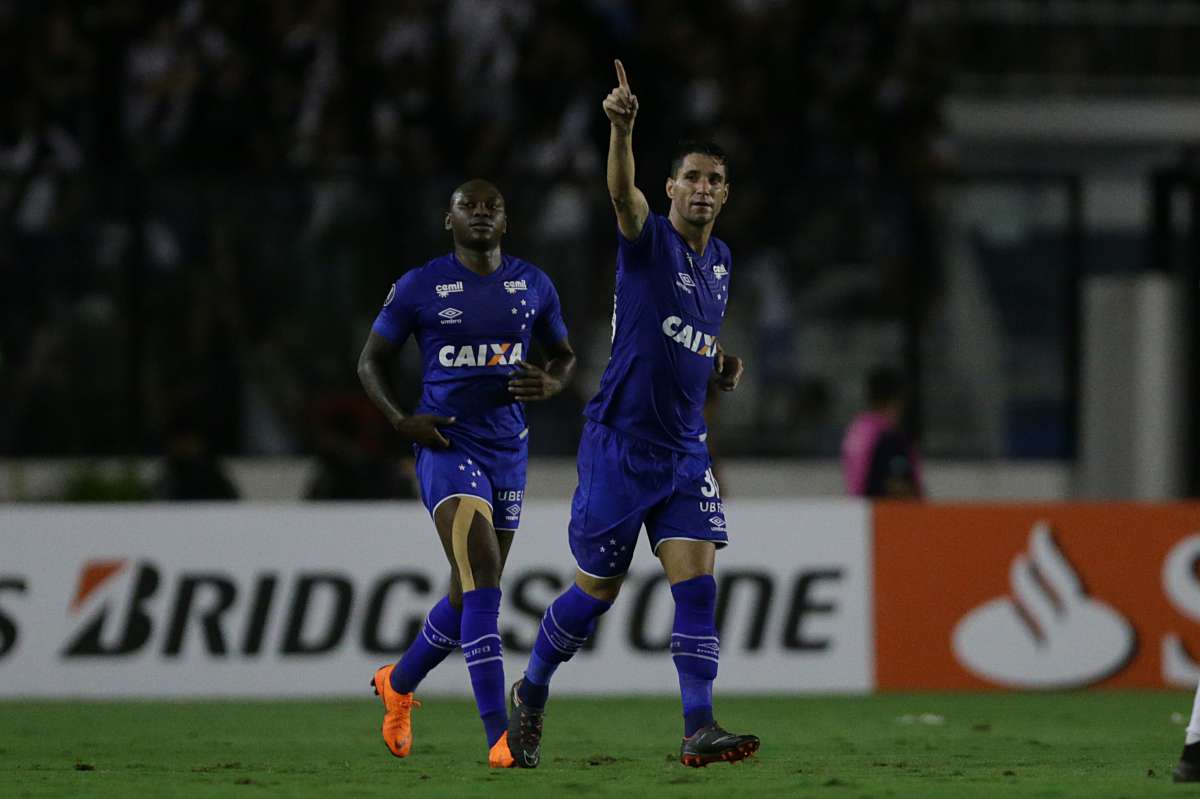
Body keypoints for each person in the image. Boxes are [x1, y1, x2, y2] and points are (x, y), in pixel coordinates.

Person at [506, 60, 758, 769]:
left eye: (714, 179)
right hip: (619, 444)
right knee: (597, 592)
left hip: (684, 451)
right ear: (670, 188)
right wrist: (620, 131)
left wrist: (717, 361)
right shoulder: (649, 242)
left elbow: (680, 331)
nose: (702, 188)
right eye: (691, 178)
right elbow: (622, 193)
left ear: (725, 193)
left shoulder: (721, 261)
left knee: (697, 586)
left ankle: (698, 726)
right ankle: (531, 689)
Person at [357, 179, 576, 769]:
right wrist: (401, 421)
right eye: (468, 206)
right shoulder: (420, 286)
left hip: (508, 449)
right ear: (447, 220)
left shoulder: (533, 284)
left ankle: (398, 683)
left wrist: (553, 382)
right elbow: (370, 361)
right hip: (447, 445)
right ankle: (498, 737)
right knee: (483, 573)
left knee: (466, 593)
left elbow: (564, 355)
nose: (480, 213)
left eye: (491, 207)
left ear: (506, 222)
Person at [840, 366, 924, 499]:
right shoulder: (888, 438)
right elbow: (897, 486)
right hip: (885, 508)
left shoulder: (857, 431)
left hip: (859, 506)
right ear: (897, 400)